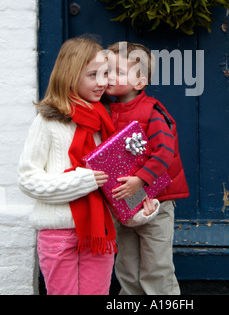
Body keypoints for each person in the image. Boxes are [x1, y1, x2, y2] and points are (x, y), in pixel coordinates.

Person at [18, 37, 118, 296]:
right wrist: (80, 182)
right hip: (58, 233)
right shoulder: (48, 121)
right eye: (93, 75)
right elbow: (28, 179)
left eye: (105, 74)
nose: (102, 82)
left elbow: (117, 178)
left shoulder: (104, 120)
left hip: (99, 235)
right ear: (70, 75)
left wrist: (141, 205)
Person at [105, 41, 190, 296]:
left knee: (156, 266)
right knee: (127, 265)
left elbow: (165, 151)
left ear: (139, 83)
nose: (108, 77)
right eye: (105, 71)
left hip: (156, 201)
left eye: (118, 72)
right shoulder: (105, 111)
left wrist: (141, 180)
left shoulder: (152, 111)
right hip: (124, 202)